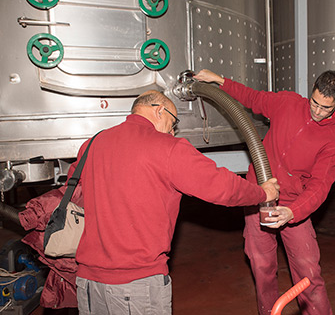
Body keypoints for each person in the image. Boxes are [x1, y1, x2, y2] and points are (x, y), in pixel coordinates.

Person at [69, 90, 280, 315]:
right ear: (159, 111)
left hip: (88, 283)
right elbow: (222, 187)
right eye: (173, 122)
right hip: (137, 284)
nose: (172, 131)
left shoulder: (92, 144)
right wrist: (262, 193)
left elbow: (75, 195)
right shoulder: (167, 147)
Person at [195, 69, 335, 315]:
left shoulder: (333, 141)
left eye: (325, 108)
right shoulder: (287, 103)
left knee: (308, 272)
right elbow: (253, 98)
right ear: (311, 93)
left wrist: (292, 212)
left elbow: (319, 187)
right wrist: (221, 80)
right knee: (261, 265)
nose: (317, 112)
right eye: (315, 103)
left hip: (293, 206)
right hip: (258, 197)